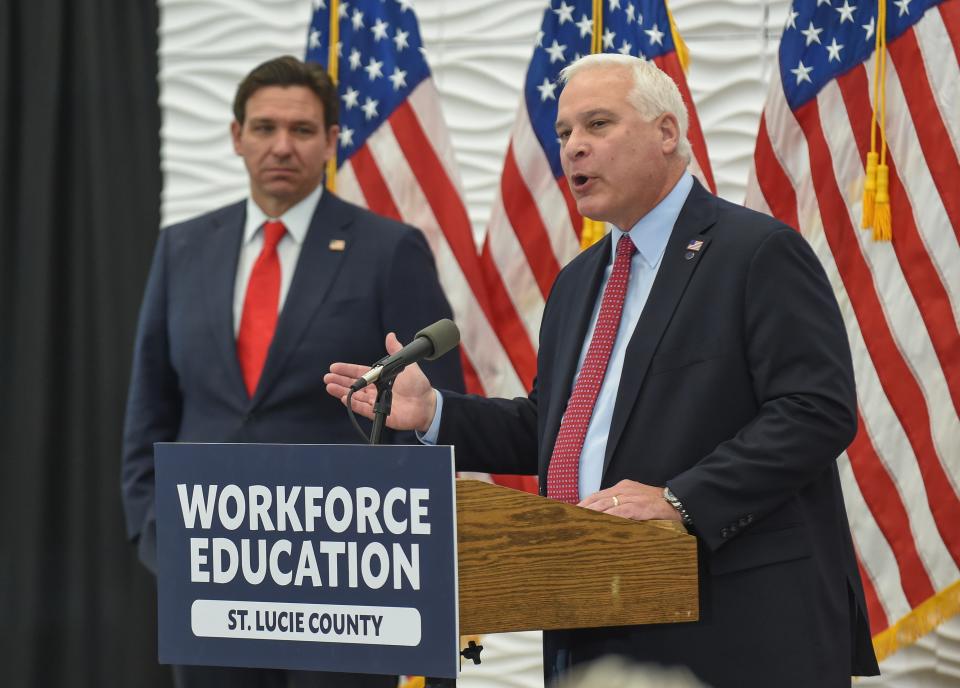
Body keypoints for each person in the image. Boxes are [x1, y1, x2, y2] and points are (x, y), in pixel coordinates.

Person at [325, 54, 880, 688]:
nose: (574, 150)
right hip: (591, 602)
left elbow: (814, 410)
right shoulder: (578, 282)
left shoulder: (755, 252)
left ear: (666, 133)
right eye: (564, 134)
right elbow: (558, 432)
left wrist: (679, 500)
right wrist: (436, 413)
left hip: (732, 618)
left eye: (597, 125)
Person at [121, 55, 464, 688]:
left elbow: (441, 412)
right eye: (264, 127)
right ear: (236, 136)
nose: (282, 145)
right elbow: (151, 409)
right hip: (209, 578)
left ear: (333, 141)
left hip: (346, 587)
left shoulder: (390, 249)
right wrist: (156, 533)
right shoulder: (183, 248)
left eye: (303, 130)